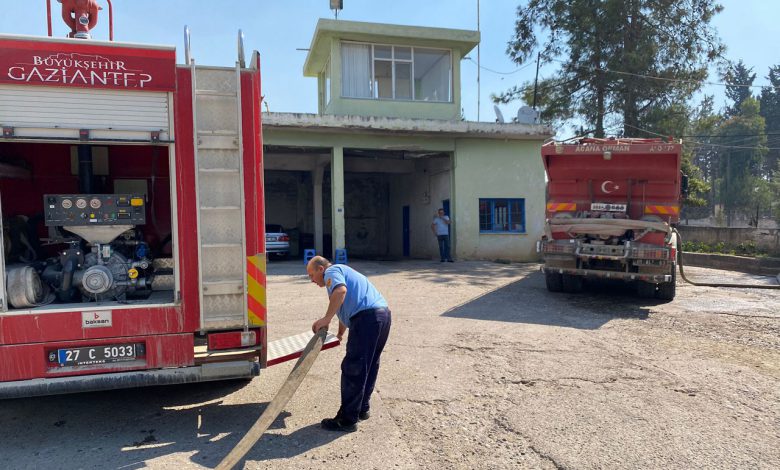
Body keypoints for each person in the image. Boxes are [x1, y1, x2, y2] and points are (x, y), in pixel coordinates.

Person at [307, 256, 392, 432]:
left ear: (321, 269)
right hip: (382, 316)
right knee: (368, 364)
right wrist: (339, 334)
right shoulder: (343, 272)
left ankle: (347, 419)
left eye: (311, 274)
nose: (311, 280)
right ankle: (361, 409)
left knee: (354, 368)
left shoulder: (332, 271)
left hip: (367, 319)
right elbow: (346, 309)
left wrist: (326, 318)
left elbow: (340, 293)